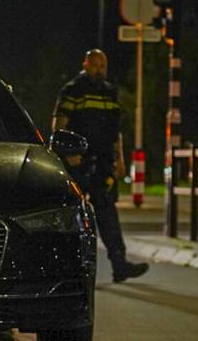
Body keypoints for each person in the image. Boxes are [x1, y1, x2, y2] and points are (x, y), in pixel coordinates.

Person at [52, 49, 149, 283]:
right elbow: (59, 122)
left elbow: (116, 130)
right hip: (78, 161)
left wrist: (120, 160)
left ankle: (120, 264)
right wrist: (66, 152)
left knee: (108, 215)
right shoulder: (73, 90)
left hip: (104, 161)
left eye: (102, 66)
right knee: (70, 214)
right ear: (85, 64)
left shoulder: (109, 92)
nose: (99, 70)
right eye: (95, 65)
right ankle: (65, 269)